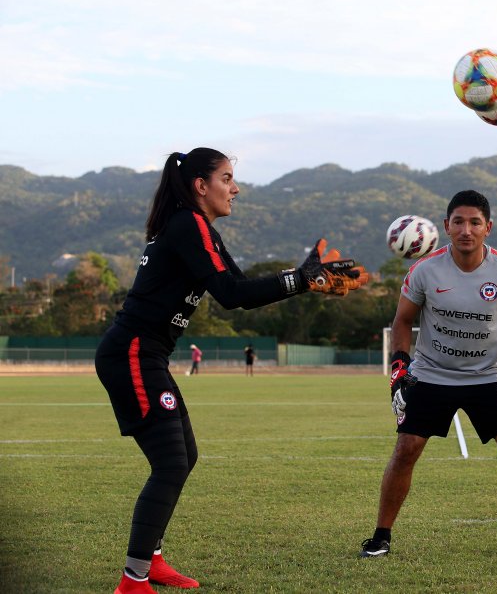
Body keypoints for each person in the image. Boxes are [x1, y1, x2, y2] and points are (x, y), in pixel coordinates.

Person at [94, 147, 369, 594]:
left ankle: (152, 560)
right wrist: (301, 279)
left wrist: (302, 278)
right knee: (169, 463)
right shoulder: (188, 223)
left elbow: (237, 290)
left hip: (145, 355)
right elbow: (229, 292)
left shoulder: (197, 227)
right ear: (200, 186)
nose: (235, 187)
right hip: (132, 354)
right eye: (226, 178)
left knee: (183, 458)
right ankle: (133, 580)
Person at [359, 189, 497, 559]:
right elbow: (402, 321)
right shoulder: (425, 269)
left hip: (488, 376)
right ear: (447, 225)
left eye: (475, 222)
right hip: (432, 374)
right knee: (406, 449)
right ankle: (381, 536)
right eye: (459, 222)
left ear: (488, 228)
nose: (467, 229)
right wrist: (400, 370)